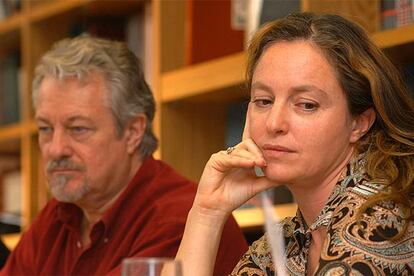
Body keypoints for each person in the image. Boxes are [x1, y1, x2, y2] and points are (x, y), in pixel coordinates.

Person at [175, 12, 414, 276]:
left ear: (359, 123)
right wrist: (207, 212)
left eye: (306, 105)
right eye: (263, 101)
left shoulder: (384, 222)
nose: (274, 123)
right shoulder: (291, 238)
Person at [0, 36, 248, 275]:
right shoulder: (59, 214)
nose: (55, 149)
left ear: (132, 132)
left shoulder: (181, 219)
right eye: (45, 129)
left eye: (78, 129)